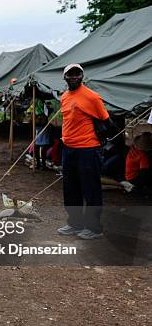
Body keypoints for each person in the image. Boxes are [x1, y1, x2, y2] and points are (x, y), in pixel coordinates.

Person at [57, 63, 110, 240]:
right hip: (69, 148)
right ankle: (75, 223)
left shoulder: (92, 97)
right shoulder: (64, 97)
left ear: (82, 76)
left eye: (77, 74)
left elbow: (106, 121)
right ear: (64, 78)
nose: (73, 77)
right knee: (70, 188)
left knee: (91, 189)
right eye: (69, 74)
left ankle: (95, 228)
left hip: (88, 148)